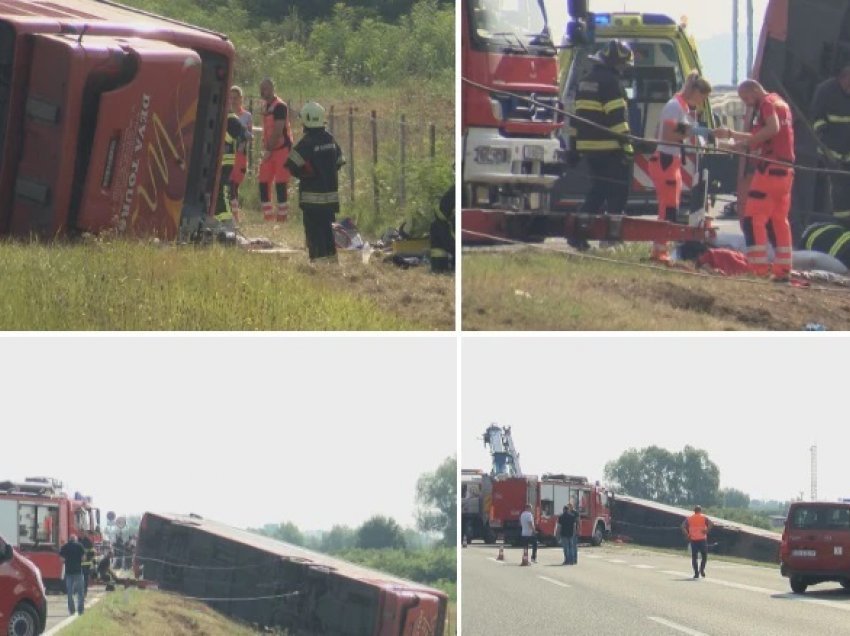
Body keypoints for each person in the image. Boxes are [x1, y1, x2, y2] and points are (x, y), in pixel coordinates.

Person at [716, 80, 795, 281]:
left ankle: (758, 269)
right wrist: (733, 137)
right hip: (786, 172)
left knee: (753, 218)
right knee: (779, 220)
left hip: (769, 170)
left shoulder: (766, 104)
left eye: (746, 98)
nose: (747, 103)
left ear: (754, 90)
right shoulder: (780, 102)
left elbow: (771, 129)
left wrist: (742, 144)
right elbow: (762, 135)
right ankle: (783, 269)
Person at [572, 39, 636, 249]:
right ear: (615, 62)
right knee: (618, 191)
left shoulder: (585, 81)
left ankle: (578, 235)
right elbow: (617, 118)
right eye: (623, 65)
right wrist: (628, 147)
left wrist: (574, 146)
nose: (624, 69)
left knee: (598, 190)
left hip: (589, 149)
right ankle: (611, 238)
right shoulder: (612, 83)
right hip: (610, 148)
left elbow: (577, 117)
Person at [648, 71, 715, 262]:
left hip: (671, 160)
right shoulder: (674, 106)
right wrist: (692, 131)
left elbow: (659, 131)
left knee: (670, 208)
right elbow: (667, 133)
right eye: (702, 97)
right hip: (666, 160)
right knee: (668, 209)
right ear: (695, 92)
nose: (701, 102)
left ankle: (660, 249)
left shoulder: (680, 107)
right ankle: (659, 251)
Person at [285, 101, 346, 263]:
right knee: (327, 230)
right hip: (330, 197)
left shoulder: (307, 143)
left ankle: (319, 265)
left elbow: (291, 164)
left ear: (307, 120)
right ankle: (332, 261)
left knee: (314, 231)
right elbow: (340, 161)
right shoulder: (330, 140)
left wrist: (306, 174)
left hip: (312, 199)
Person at [810, 65, 850, 224]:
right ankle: (843, 224)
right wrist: (826, 142)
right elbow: (816, 118)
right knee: (840, 189)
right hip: (832, 152)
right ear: (845, 78)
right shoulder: (825, 90)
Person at [258, 78, 294, 223]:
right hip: (270, 149)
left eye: (265, 88)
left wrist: (268, 149)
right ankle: (268, 217)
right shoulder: (266, 106)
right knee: (263, 181)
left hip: (281, 149)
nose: (262, 92)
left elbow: (278, 131)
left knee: (281, 183)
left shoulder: (280, 106)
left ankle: (282, 218)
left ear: (272, 88)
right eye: (261, 89)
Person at [216, 99, 248, 226]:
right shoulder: (222, 118)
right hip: (219, 162)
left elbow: (244, 135)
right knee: (219, 191)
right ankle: (221, 219)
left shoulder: (232, 120)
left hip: (226, 163)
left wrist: (241, 146)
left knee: (223, 191)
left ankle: (228, 222)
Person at [229, 85, 253, 222]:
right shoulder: (226, 114)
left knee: (234, 185)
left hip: (240, 156)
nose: (233, 101)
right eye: (231, 98)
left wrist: (242, 145)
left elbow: (249, 136)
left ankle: (234, 215)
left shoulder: (247, 116)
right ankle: (234, 217)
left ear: (241, 99)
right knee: (229, 185)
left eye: (235, 98)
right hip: (228, 156)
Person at [681, 505, 714, 579]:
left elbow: (682, 526)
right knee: (704, 556)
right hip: (702, 539)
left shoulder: (689, 518)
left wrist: (687, 534)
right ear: (700, 510)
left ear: (694, 511)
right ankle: (701, 569)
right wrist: (706, 531)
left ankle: (696, 573)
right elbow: (711, 524)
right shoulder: (703, 517)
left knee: (694, 557)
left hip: (693, 539)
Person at [430, 183, 455, 273]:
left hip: (442, 220)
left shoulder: (454, 190)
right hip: (444, 222)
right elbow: (450, 245)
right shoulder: (443, 225)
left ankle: (440, 268)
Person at [59, 535, 86, 615]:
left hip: (68, 573)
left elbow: (62, 559)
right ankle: (80, 611)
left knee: (70, 593)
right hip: (78, 572)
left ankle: (72, 610)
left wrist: (67, 561)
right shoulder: (80, 546)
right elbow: (83, 558)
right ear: (76, 540)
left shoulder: (65, 547)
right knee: (80, 592)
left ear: (69, 540)